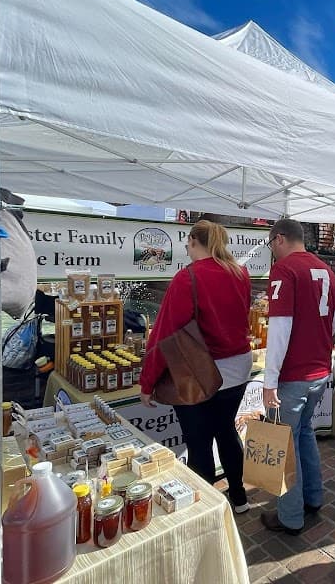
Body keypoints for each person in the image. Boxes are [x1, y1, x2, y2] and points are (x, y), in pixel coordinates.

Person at [140, 220, 252, 514]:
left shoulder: (188, 277)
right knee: (226, 431)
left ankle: (204, 511)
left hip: (201, 372)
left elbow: (165, 333)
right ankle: (239, 498)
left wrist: (147, 381)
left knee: (198, 442)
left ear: (192, 241)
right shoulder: (240, 273)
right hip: (238, 367)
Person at [260, 219, 335, 535]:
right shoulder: (327, 271)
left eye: (270, 245)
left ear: (279, 239)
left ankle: (290, 516)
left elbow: (279, 329)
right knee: (304, 433)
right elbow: (332, 324)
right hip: (319, 370)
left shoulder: (285, 270)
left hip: (293, 376)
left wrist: (269, 381)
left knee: (284, 445)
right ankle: (313, 496)